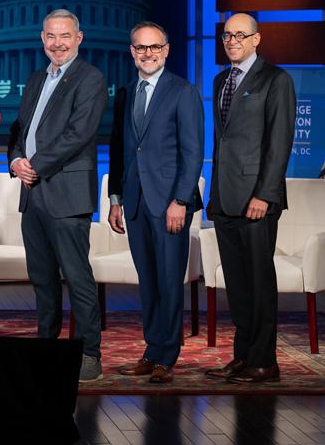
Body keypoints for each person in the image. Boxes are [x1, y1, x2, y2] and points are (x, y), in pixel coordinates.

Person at [7, 9, 107, 382]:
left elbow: (78, 134)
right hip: (32, 194)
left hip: (66, 193)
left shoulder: (90, 78)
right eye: (51, 36)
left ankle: (89, 354)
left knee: (77, 278)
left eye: (65, 36)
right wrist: (16, 160)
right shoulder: (36, 79)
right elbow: (19, 129)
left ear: (78, 38)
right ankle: (46, 347)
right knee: (42, 279)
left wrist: (34, 165)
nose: (58, 43)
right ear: (42, 38)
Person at [108, 21, 204, 385]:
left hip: (169, 204)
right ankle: (151, 351)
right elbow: (120, 150)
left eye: (154, 47)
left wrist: (181, 200)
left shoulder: (183, 91)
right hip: (134, 202)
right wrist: (115, 199)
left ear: (166, 50)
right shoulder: (125, 92)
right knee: (147, 282)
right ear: (132, 51)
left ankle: (167, 356)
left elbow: (192, 153)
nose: (147, 54)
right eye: (140, 47)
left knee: (168, 280)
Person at [205, 12, 295, 384]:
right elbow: (222, 143)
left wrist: (264, 194)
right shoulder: (220, 80)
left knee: (259, 284)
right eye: (227, 35)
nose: (232, 41)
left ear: (256, 39)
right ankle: (242, 356)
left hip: (256, 200)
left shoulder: (276, 80)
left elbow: (279, 144)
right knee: (238, 285)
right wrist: (214, 194)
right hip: (225, 198)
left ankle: (264, 361)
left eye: (240, 35)